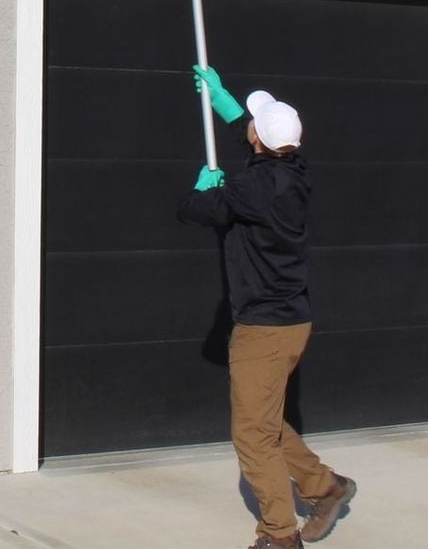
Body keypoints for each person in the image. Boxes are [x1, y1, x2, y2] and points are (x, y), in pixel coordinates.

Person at [179, 64, 355, 549]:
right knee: (266, 422)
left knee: (252, 437)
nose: (249, 128)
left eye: (253, 124)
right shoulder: (293, 172)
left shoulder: (253, 190)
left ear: (262, 139)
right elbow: (254, 137)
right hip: (292, 323)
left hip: (263, 329)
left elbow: (193, 211)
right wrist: (224, 100)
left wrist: (204, 187)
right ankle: (327, 488)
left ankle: (279, 536)